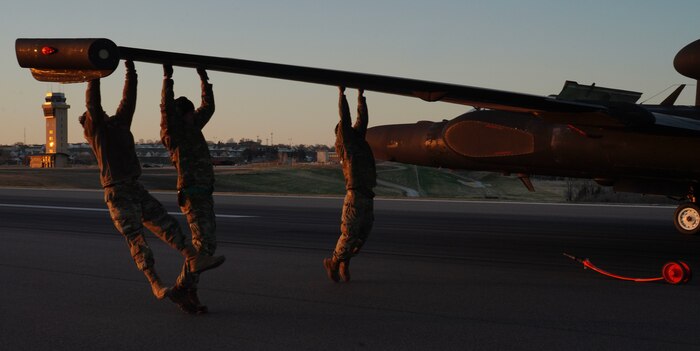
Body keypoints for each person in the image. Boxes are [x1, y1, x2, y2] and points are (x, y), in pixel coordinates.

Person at [80, 60, 224, 314]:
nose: (101, 114)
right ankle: (157, 283)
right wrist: (95, 74)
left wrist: (131, 71)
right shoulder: (98, 132)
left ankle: (193, 259)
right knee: (137, 238)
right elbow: (94, 103)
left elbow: (129, 100)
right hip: (117, 191)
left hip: (136, 188)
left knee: (169, 227)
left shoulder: (120, 124)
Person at [160, 64, 217, 313]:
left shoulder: (192, 126)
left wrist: (203, 78)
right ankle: (182, 289)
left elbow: (209, 107)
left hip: (204, 193)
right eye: (190, 113)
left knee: (206, 247)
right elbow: (166, 109)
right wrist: (168, 78)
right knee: (202, 247)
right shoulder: (174, 133)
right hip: (192, 194)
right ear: (182, 115)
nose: (196, 116)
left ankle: (189, 290)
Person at [323, 87, 377, 282]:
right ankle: (334, 263)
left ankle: (345, 262)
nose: (352, 129)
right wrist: (341, 94)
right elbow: (345, 119)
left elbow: (362, 120)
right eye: (345, 130)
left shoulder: (359, 141)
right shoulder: (346, 146)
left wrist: (361, 96)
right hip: (354, 196)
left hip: (367, 195)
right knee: (349, 234)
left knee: (362, 235)